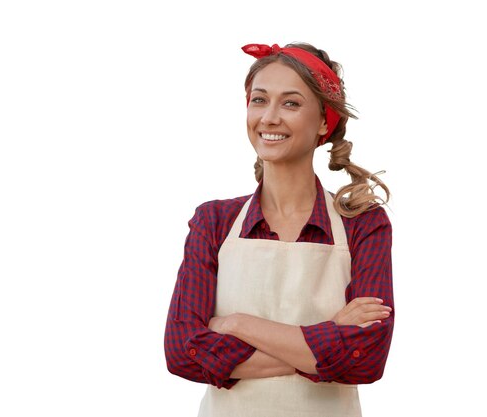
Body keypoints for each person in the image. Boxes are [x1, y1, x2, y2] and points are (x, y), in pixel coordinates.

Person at [164, 42, 394, 417]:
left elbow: (365, 360)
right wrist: (330, 334)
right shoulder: (213, 222)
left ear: (324, 121)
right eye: (259, 100)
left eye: (291, 103)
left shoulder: (363, 224)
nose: (269, 117)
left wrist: (237, 325)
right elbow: (182, 352)